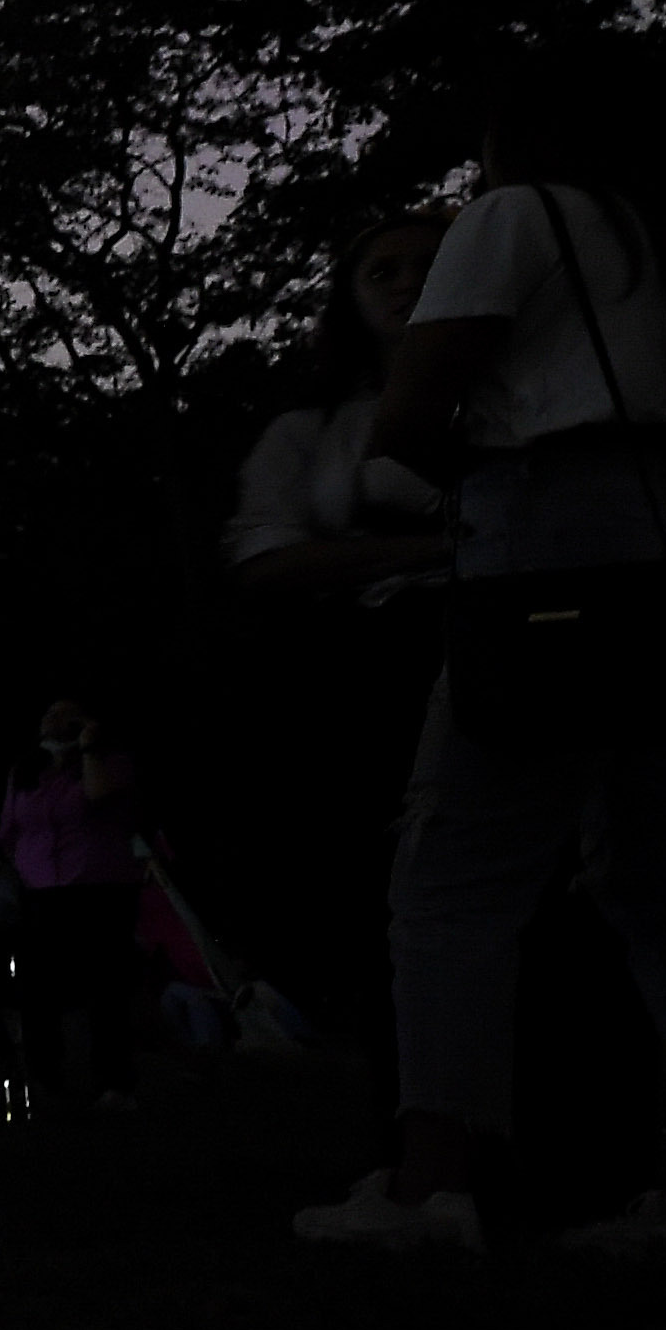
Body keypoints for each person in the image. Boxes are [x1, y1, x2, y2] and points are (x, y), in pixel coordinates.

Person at [299, 54, 666, 1269]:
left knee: (455, 874)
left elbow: (411, 418)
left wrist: (451, 475)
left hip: (564, 541)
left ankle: (430, 1187)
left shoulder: (517, 216)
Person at [218, 214, 458, 1062]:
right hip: (363, 676)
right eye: (382, 271)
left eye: (428, 266)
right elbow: (262, 555)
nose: (404, 285)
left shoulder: (523, 399)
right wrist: (436, 549)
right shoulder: (311, 433)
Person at [0, 694, 152, 1114]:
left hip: (100, 887)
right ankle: (46, 1079)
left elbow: (98, 794)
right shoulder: (27, 770)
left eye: (65, 712)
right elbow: (9, 830)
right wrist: (23, 871)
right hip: (42, 890)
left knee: (106, 987)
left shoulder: (108, 761)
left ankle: (114, 1084)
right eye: (49, 711)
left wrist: (88, 746)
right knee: (37, 989)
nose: (52, 717)